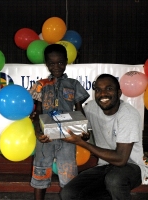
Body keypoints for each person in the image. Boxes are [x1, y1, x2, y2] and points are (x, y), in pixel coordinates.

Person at [60, 74, 145, 200]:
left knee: (114, 180)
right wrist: (47, 132)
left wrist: (82, 143)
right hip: (105, 166)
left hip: (131, 167)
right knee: (69, 193)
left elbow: (121, 159)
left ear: (119, 93)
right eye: (98, 90)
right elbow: (78, 124)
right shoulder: (92, 108)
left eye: (109, 89)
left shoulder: (128, 115)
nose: (103, 94)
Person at [29, 44, 90, 200]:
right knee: (41, 170)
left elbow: (78, 110)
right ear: (46, 64)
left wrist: (85, 130)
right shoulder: (40, 85)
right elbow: (37, 112)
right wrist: (38, 132)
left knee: (68, 173)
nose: (56, 66)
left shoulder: (74, 84)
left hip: (68, 137)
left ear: (66, 61)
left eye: (60, 62)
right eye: (51, 63)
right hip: (45, 138)